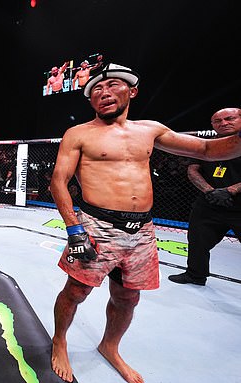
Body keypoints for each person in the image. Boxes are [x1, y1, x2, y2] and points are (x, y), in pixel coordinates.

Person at [49, 63, 241, 383]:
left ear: (132, 92)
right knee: (77, 291)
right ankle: (59, 340)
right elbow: (58, 181)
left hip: (142, 231)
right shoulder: (79, 133)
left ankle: (110, 346)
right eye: (96, 88)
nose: (104, 92)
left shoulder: (150, 129)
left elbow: (208, 149)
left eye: (112, 85)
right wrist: (73, 228)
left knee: (128, 297)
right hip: (97, 225)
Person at [169, 107, 241, 286]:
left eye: (229, 118)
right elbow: (193, 169)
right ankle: (195, 275)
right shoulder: (207, 144)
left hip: (239, 205)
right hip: (209, 203)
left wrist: (231, 190)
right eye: (218, 121)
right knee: (197, 240)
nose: (223, 123)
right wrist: (209, 191)